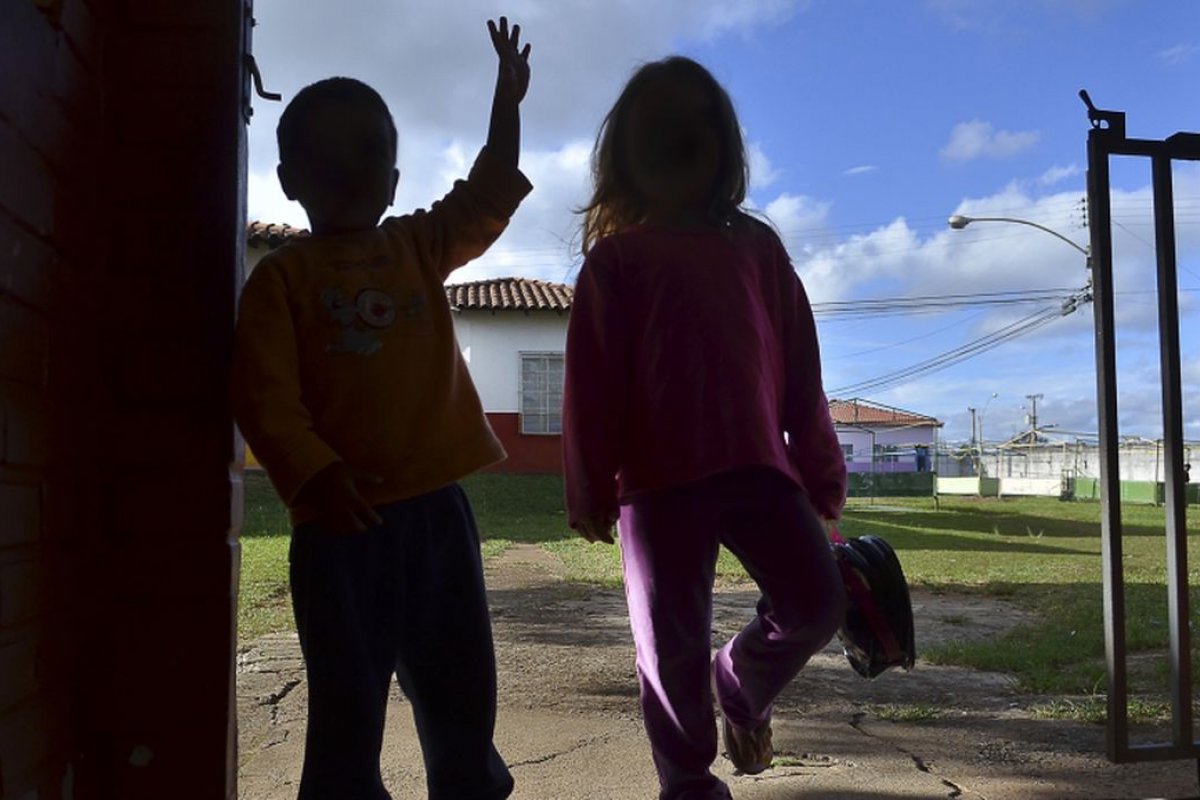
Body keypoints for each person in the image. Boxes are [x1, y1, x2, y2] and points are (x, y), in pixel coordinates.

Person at [231, 18, 531, 800]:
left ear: (396, 180)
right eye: (326, 154)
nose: (350, 168)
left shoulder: (416, 246)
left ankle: (468, 785)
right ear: (289, 177)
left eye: (371, 151)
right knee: (345, 716)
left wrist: (509, 98)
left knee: (463, 701)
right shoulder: (281, 281)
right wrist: (315, 477)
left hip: (438, 518)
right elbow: (264, 397)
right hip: (339, 530)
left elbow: (489, 191)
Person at [562, 56, 847, 800]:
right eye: (660, 128)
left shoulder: (756, 248)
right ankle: (687, 781)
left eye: (698, 123)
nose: (681, 137)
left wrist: (820, 469)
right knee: (669, 650)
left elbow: (800, 372)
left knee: (817, 604)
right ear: (623, 154)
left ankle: (741, 682)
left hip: (759, 470)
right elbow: (591, 386)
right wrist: (589, 483)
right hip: (657, 489)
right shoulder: (615, 263)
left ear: (724, 144)